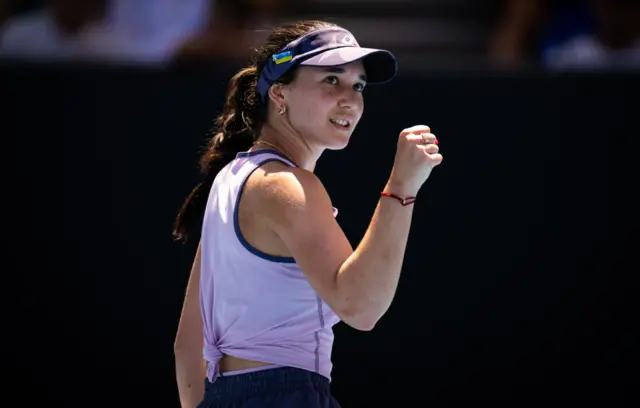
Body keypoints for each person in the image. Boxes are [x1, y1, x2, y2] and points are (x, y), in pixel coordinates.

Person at [172, 19, 443, 408]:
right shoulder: (287, 186)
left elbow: (187, 347)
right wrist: (402, 187)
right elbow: (361, 307)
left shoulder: (228, 182)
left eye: (359, 85)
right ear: (280, 93)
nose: (350, 98)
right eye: (331, 80)